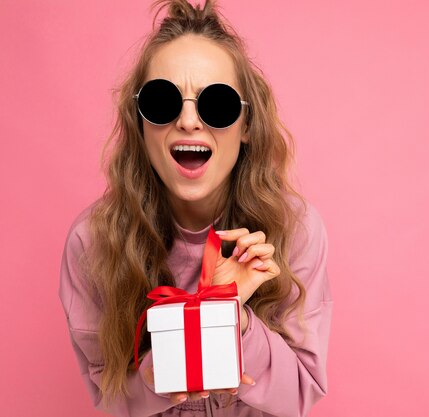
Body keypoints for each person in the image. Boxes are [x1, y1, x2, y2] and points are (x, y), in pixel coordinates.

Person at [58, 0, 332, 416]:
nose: (188, 121)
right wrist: (180, 346)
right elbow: (112, 403)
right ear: (140, 123)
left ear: (245, 126)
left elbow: (299, 393)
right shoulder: (92, 242)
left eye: (217, 104)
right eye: (162, 101)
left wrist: (233, 318)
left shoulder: (296, 229)